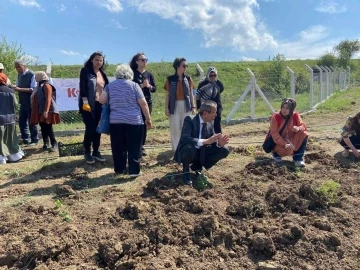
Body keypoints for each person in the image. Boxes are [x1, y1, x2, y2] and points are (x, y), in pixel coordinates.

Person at [99, 64, 152, 177]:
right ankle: (134, 171)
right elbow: (143, 103)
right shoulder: (134, 85)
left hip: (116, 121)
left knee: (118, 146)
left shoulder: (110, 86)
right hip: (134, 121)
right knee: (134, 146)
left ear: (117, 74)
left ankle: (119, 169)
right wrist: (148, 119)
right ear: (130, 74)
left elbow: (102, 100)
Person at [174, 100, 230, 185]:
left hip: (202, 152)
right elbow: (185, 138)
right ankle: (186, 172)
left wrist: (219, 144)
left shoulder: (210, 123)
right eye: (214, 112)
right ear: (205, 113)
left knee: (224, 150)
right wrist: (205, 141)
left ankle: (198, 167)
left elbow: (211, 141)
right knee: (190, 147)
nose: (216, 115)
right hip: (189, 150)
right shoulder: (190, 119)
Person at [79, 52, 109, 164]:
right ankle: (87, 152)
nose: (99, 62)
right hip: (88, 105)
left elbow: (106, 89)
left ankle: (96, 151)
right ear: (92, 60)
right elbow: (82, 88)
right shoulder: (85, 71)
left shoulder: (102, 73)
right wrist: (85, 102)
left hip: (100, 105)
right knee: (90, 128)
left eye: (101, 60)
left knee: (98, 129)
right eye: (96, 60)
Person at [164, 57, 196, 151]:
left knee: (185, 128)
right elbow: (168, 95)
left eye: (186, 65)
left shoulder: (188, 78)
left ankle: (185, 148)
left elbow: (191, 93)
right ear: (177, 66)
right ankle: (176, 149)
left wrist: (193, 106)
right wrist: (166, 108)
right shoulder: (170, 79)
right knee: (175, 128)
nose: (185, 67)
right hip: (174, 106)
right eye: (184, 65)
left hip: (186, 105)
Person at [130, 52, 157, 156]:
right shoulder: (132, 73)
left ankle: (142, 146)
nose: (145, 61)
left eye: (146, 60)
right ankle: (134, 145)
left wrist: (149, 86)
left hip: (147, 102)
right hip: (135, 103)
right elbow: (131, 88)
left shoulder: (149, 74)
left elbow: (154, 89)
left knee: (145, 124)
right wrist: (142, 85)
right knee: (136, 124)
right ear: (137, 62)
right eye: (142, 60)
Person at [269, 98, 308, 167]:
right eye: (283, 107)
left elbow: (303, 126)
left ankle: (298, 159)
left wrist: (298, 128)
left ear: (291, 109)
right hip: (278, 142)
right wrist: (284, 144)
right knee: (289, 150)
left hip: (290, 139)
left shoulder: (295, 115)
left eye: (287, 108)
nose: (284, 110)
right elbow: (274, 134)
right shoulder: (275, 117)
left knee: (304, 134)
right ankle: (276, 155)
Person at [30, 71, 61, 152]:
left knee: (48, 127)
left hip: (48, 110)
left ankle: (54, 144)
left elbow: (48, 99)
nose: (35, 78)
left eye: (36, 76)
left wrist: (46, 111)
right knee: (43, 127)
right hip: (40, 110)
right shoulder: (39, 86)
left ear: (40, 77)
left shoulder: (47, 86)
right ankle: (46, 144)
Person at [11, 59, 38, 146]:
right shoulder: (19, 75)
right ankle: (25, 139)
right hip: (23, 102)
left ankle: (34, 140)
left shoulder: (32, 74)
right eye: (16, 67)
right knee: (22, 121)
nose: (17, 69)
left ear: (24, 66)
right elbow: (18, 85)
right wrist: (14, 87)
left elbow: (33, 89)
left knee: (32, 121)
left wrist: (19, 89)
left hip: (31, 101)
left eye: (19, 67)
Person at [0, 73, 24, 164]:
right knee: (10, 139)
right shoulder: (11, 91)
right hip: (10, 119)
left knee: (0, 140)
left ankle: (2, 158)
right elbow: (15, 104)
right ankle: (14, 156)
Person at [196, 67, 224, 133]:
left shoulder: (218, 83)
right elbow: (198, 96)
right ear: (208, 75)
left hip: (217, 106)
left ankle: (218, 141)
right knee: (206, 125)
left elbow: (221, 89)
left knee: (217, 123)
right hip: (206, 107)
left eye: (214, 75)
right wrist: (198, 107)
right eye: (211, 75)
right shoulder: (202, 84)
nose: (213, 77)